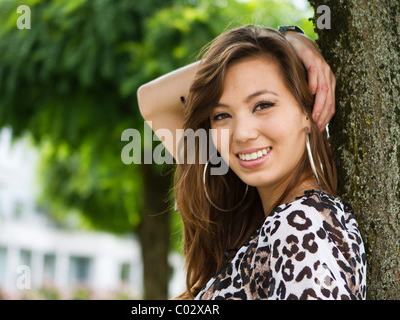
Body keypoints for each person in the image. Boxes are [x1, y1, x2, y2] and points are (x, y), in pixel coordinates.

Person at [137, 24, 366, 300]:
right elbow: (151, 101)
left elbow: (151, 102)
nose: (242, 133)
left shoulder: (301, 223)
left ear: (308, 111)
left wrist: (286, 47)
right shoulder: (275, 223)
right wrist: (288, 39)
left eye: (263, 105)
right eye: (221, 115)